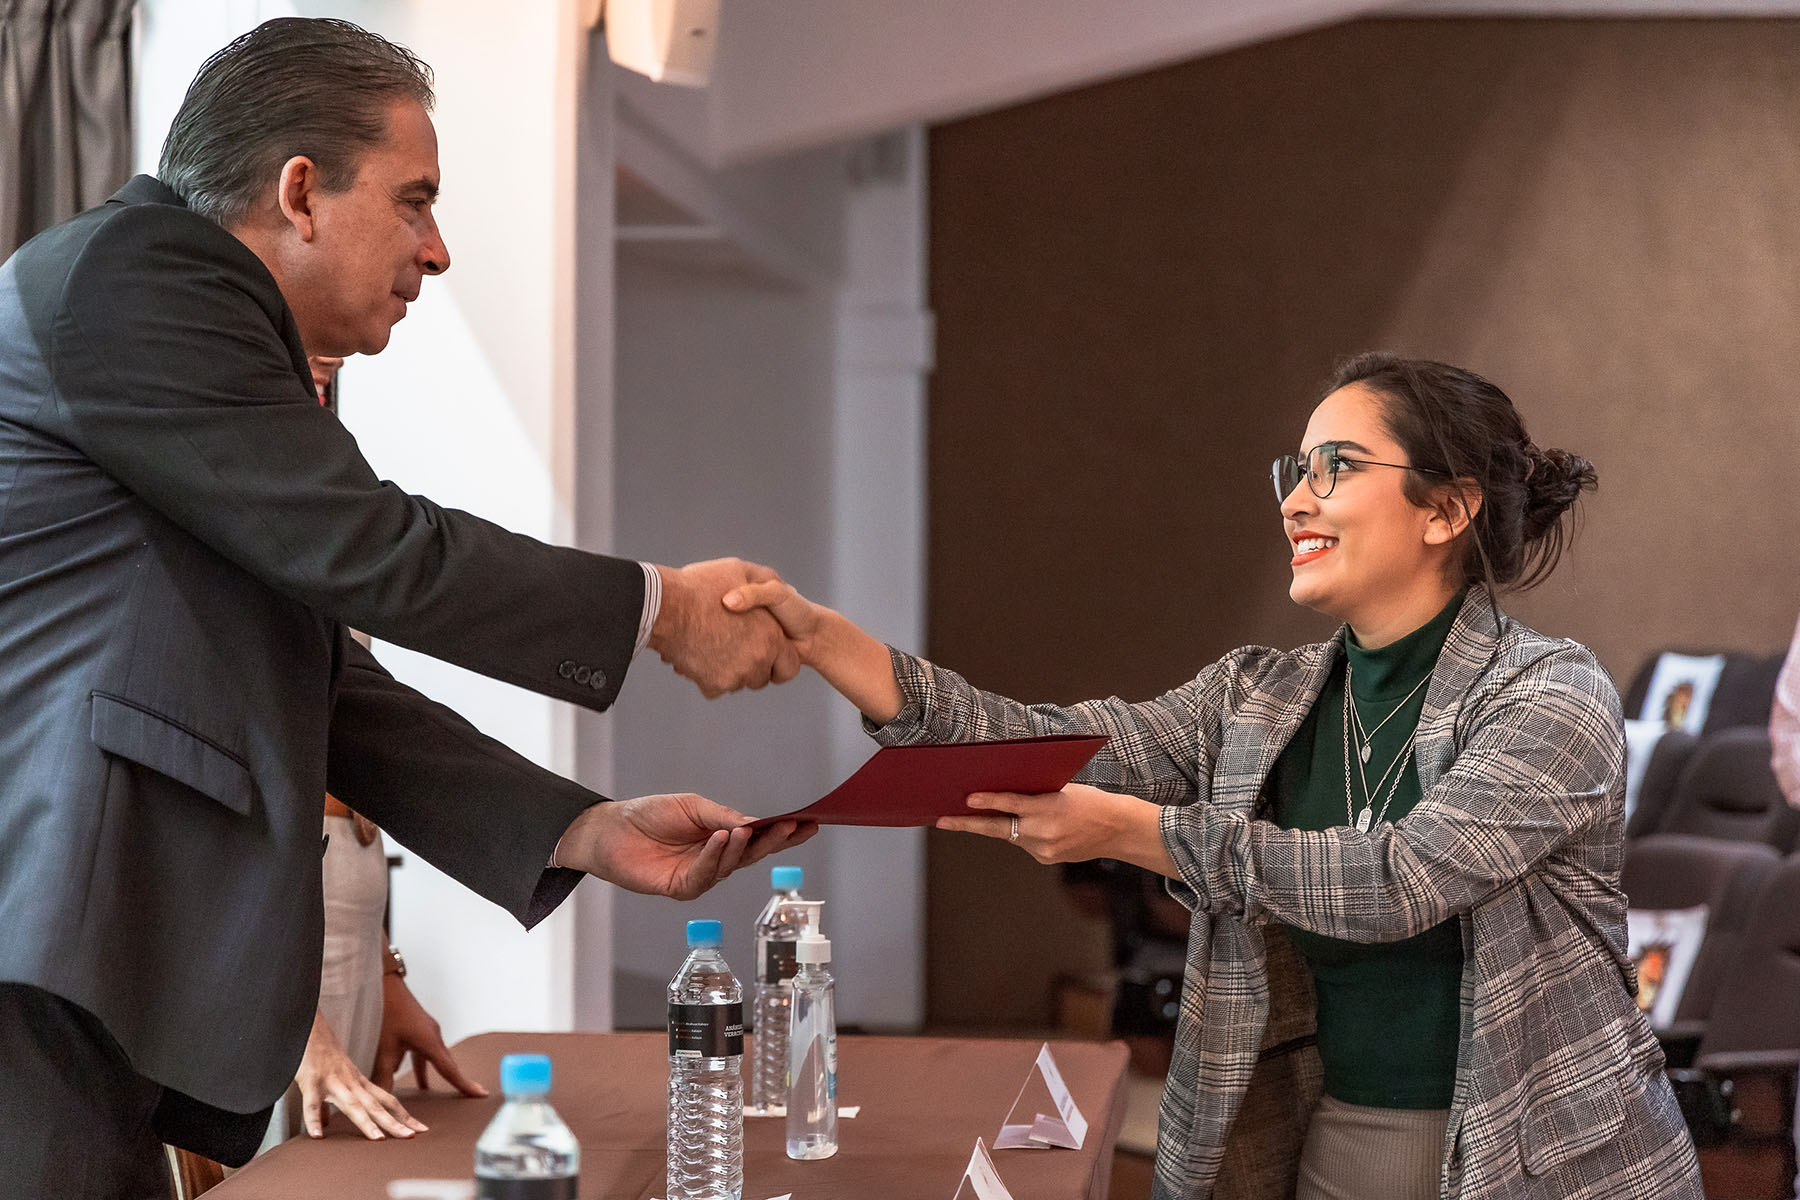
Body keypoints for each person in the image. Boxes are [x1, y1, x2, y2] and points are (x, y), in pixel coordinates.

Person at [0, 18, 810, 1195]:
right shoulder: (135, 279)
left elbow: (326, 679)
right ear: (298, 191)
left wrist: (582, 828)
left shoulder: (232, 359)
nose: (436, 251)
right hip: (41, 925)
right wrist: (662, 610)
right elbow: (379, 550)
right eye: (415, 199)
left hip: (92, 948)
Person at [729, 353, 1703, 1199]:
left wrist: (1134, 833)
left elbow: (1399, 881)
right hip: (1331, 1138)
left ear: (1447, 509)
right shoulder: (1258, 695)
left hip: (1544, 1167)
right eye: (1295, 469)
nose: (1295, 498)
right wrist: (828, 643)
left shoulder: (1551, 692)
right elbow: (1040, 741)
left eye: (1338, 467)